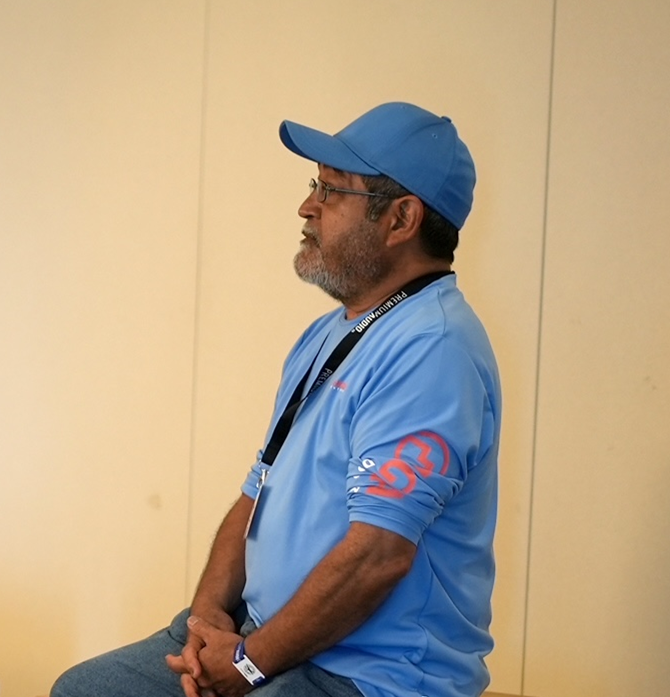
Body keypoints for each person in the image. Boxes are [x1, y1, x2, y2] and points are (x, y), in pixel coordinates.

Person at [50, 102, 501, 697]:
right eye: (315, 183)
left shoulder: (432, 349)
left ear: (401, 218)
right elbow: (257, 490)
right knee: (85, 690)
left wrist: (247, 665)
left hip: (370, 674)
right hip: (265, 638)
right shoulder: (330, 334)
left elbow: (377, 556)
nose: (307, 206)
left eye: (332, 190)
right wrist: (207, 618)